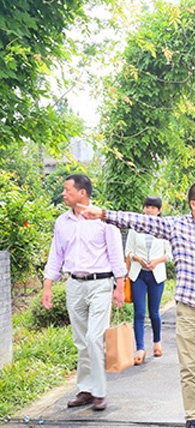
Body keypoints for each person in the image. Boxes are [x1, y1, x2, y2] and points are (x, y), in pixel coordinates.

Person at [80, 182, 195, 428]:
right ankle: (193, 417)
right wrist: (103, 214)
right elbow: (140, 221)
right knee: (190, 366)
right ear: (193, 204)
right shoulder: (177, 226)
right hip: (190, 307)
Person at [42, 174, 127, 412]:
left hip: (100, 284)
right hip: (74, 284)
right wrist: (47, 286)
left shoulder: (103, 220)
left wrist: (120, 287)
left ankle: (99, 392)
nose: (63, 193)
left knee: (94, 337)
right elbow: (55, 254)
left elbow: (116, 254)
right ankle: (86, 389)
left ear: (82, 193)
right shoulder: (62, 222)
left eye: (66, 189)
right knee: (81, 341)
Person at [125, 196, 172, 364]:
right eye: (147, 207)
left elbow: (170, 254)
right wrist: (136, 258)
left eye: (153, 208)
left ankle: (157, 342)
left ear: (159, 211)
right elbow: (127, 251)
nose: (150, 210)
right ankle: (140, 348)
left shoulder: (165, 228)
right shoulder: (135, 227)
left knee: (154, 312)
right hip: (138, 274)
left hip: (156, 275)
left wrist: (157, 261)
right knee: (139, 312)